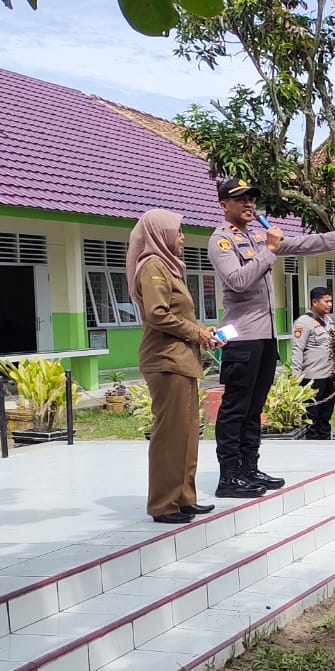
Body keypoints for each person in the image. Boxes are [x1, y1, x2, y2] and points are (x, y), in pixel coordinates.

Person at [209, 177, 335, 497]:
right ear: (223, 205)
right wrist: (270, 251)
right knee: (235, 409)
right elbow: (238, 280)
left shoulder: (259, 234)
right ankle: (228, 477)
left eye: (251, 198)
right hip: (242, 340)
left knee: (254, 407)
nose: (248, 204)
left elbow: (301, 244)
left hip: (265, 338)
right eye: (240, 199)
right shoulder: (221, 241)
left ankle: (249, 468)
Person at [129, 209, 223, 524]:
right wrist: (194, 332)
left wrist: (202, 332)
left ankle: (184, 498)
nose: (182, 238)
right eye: (178, 232)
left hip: (181, 360)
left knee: (186, 434)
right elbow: (156, 314)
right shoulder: (153, 266)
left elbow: (177, 315)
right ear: (162, 234)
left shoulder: (169, 268)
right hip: (165, 361)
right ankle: (163, 503)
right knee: (170, 434)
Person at [289, 287, 335, 439]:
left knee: (325, 416)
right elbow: (297, 351)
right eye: (326, 301)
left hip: (329, 376)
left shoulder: (328, 321)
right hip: (312, 379)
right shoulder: (303, 323)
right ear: (314, 302)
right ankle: (312, 446)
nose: (329, 304)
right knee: (311, 418)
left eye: (330, 301)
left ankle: (325, 443)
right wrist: (295, 379)